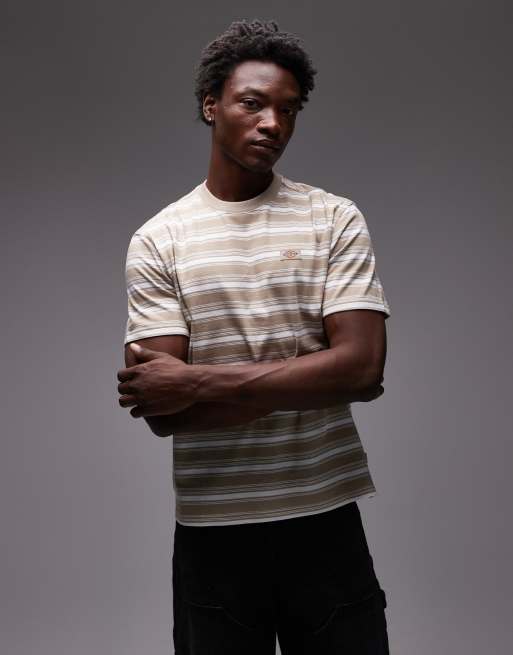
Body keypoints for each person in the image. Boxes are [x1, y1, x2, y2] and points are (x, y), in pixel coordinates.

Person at [117, 19, 391, 655]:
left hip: (325, 519)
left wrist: (197, 382)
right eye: (253, 103)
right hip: (214, 530)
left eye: (288, 110)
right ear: (210, 105)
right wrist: (312, 377)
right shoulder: (160, 239)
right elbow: (162, 412)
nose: (273, 123)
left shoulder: (333, 218)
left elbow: (362, 369)